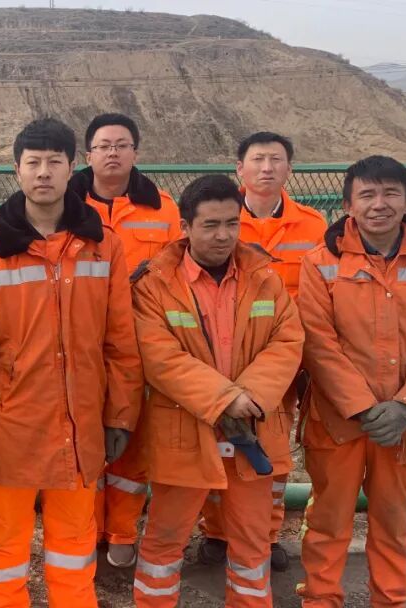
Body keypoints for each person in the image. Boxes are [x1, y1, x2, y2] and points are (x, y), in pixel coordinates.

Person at [0, 118, 144, 607]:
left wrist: (120, 414)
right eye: (33, 163)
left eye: (54, 162)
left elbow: (120, 340)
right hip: (12, 423)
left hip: (81, 422)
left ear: (71, 166)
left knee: (75, 540)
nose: (43, 172)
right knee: (4, 538)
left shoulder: (104, 244)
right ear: (16, 170)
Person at [297, 156, 406, 607]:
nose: (379, 204)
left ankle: (391, 601)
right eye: (367, 194)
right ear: (348, 205)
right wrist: (360, 405)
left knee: (395, 522)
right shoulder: (320, 262)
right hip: (338, 421)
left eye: (391, 193)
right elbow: (317, 342)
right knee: (328, 520)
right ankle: (320, 600)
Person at [130, 174, 304, 607]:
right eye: (210, 225)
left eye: (232, 223)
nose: (223, 235)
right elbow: (159, 356)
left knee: (252, 547)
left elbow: (287, 341)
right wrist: (226, 398)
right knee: (164, 543)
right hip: (185, 434)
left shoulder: (265, 278)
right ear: (185, 227)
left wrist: (251, 396)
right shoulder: (154, 284)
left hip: (252, 431)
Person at [199, 131, 327, 572]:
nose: (267, 168)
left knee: (272, 454)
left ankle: (266, 535)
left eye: (276, 160)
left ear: (290, 168)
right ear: (240, 168)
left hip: (280, 363)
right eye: (258, 159)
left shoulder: (312, 226)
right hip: (221, 357)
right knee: (218, 448)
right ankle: (217, 533)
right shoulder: (220, 217)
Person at [67, 112, 181, 567]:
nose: (112, 153)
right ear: (88, 155)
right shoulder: (66, 206)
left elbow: (176, 273)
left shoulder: (163, 209)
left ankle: (121, 531)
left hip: (142, 339)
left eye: (121, 145)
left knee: (132, 439)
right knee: (85, 437)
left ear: (136, 152)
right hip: (83, 338)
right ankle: (86, 531)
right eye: (103, 146)